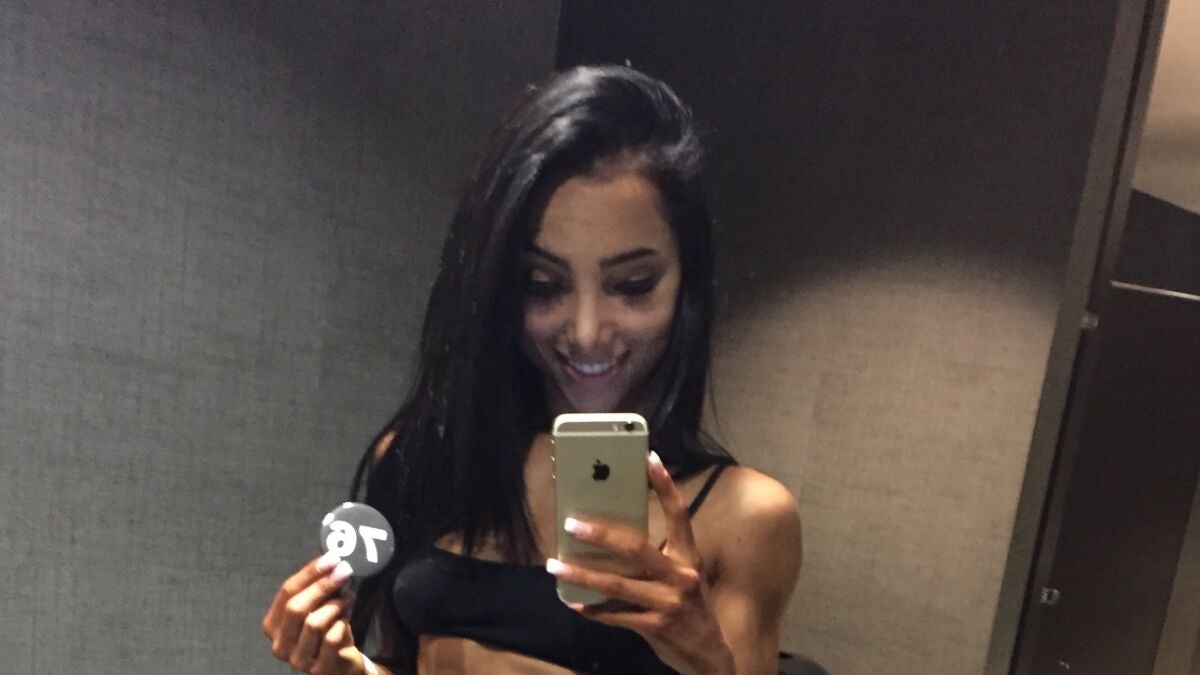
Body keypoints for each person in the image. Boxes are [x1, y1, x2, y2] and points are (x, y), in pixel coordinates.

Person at [262, 65, 802, 675]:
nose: (587, 332)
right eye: (543, 285)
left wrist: (707, 662)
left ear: (688, 289)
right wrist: (349, 669)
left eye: (632, 284)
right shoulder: (424, 459)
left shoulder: (747, 517)